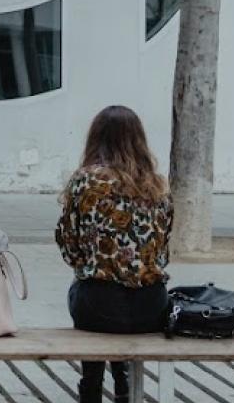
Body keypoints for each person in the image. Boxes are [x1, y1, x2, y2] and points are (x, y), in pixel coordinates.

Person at [55, 106, 172, 403]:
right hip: (151, 306)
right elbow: (162, 252)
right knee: (116, 293)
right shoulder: (157, 186)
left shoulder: (86, 181)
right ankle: (123, 384)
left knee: (88, 289)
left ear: (96, 139)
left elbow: (69, 247)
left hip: (99, 308)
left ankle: (91, 387)